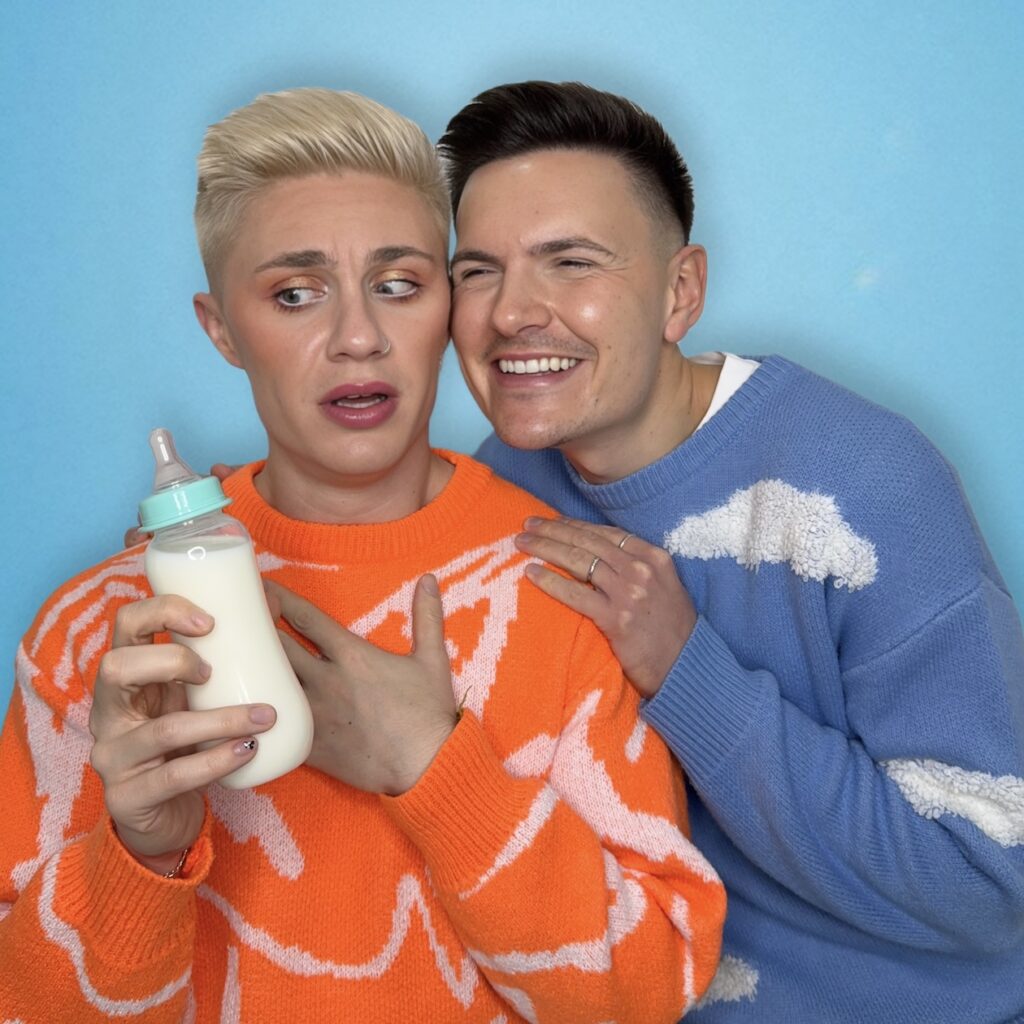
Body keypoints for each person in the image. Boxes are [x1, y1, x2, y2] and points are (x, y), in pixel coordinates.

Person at [0, 87, 727, 1022]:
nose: (357, 338)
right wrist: (140, 857)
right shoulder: (100, 633)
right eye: (294, 294)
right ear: (221, 328)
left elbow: (649, 992)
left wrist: (438, 770)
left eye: (399, 283)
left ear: (451, 307)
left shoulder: (567, 590)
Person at [437, 81, 1024, 1022]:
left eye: (571, 263)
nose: (513, 313)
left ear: (681, 293)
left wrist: (687, 669)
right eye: (477, 271)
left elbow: (991, 880)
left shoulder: (867, 485)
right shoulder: (501, 486)